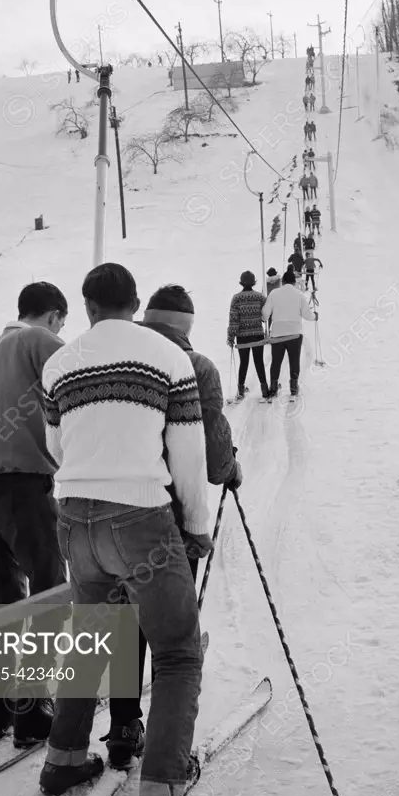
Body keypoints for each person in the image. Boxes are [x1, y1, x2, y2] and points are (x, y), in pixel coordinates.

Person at [39, 264, 222, 796]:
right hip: (140, 517)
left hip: (74, 518)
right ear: (135, 303)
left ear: (87, 306)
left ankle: (64, 757)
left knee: (92, 639)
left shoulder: (58, 363)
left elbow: (55, 446)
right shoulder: (169, 358)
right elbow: (187, 452)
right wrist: (194, 525)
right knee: (176, 652)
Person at [101, 284, 242, 769]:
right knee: (173, 638)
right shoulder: (195, 367)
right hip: (166, 521)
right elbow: (211, 452)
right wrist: (230, 470)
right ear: (186, 327)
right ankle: (168, 756)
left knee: (124, 622)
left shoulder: (116, 358)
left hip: (103, 518)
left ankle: (122, 727)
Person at [0, 282, 69, 745]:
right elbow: (79, 385)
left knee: (6, 593)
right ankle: (33, 707)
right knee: (52, 591)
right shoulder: (38, 341)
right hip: (22, 483)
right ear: (52, 316)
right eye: (62, 322)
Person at [261, 269, 317, 397]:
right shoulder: (299, 295)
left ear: (282, 281)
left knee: (276, 362)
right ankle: (293, 387)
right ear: (293, 282)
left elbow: (265, 314)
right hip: (294, 334)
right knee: (294, 360)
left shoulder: (274, 294)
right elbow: (307, 315)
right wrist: (315, 316)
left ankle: (273, 387)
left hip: (277, 333)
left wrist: (264, 319)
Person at [227, 271, 269, 400]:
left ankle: (240, 390)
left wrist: (231, 337)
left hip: (242, 336)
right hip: (257, 335)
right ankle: (265, 390)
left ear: (241, 283)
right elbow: (266, 314)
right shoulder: (260, 297)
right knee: (259, 362)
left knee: (243, 362)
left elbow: (234, 320)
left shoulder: (236, 298)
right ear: (253, 283)